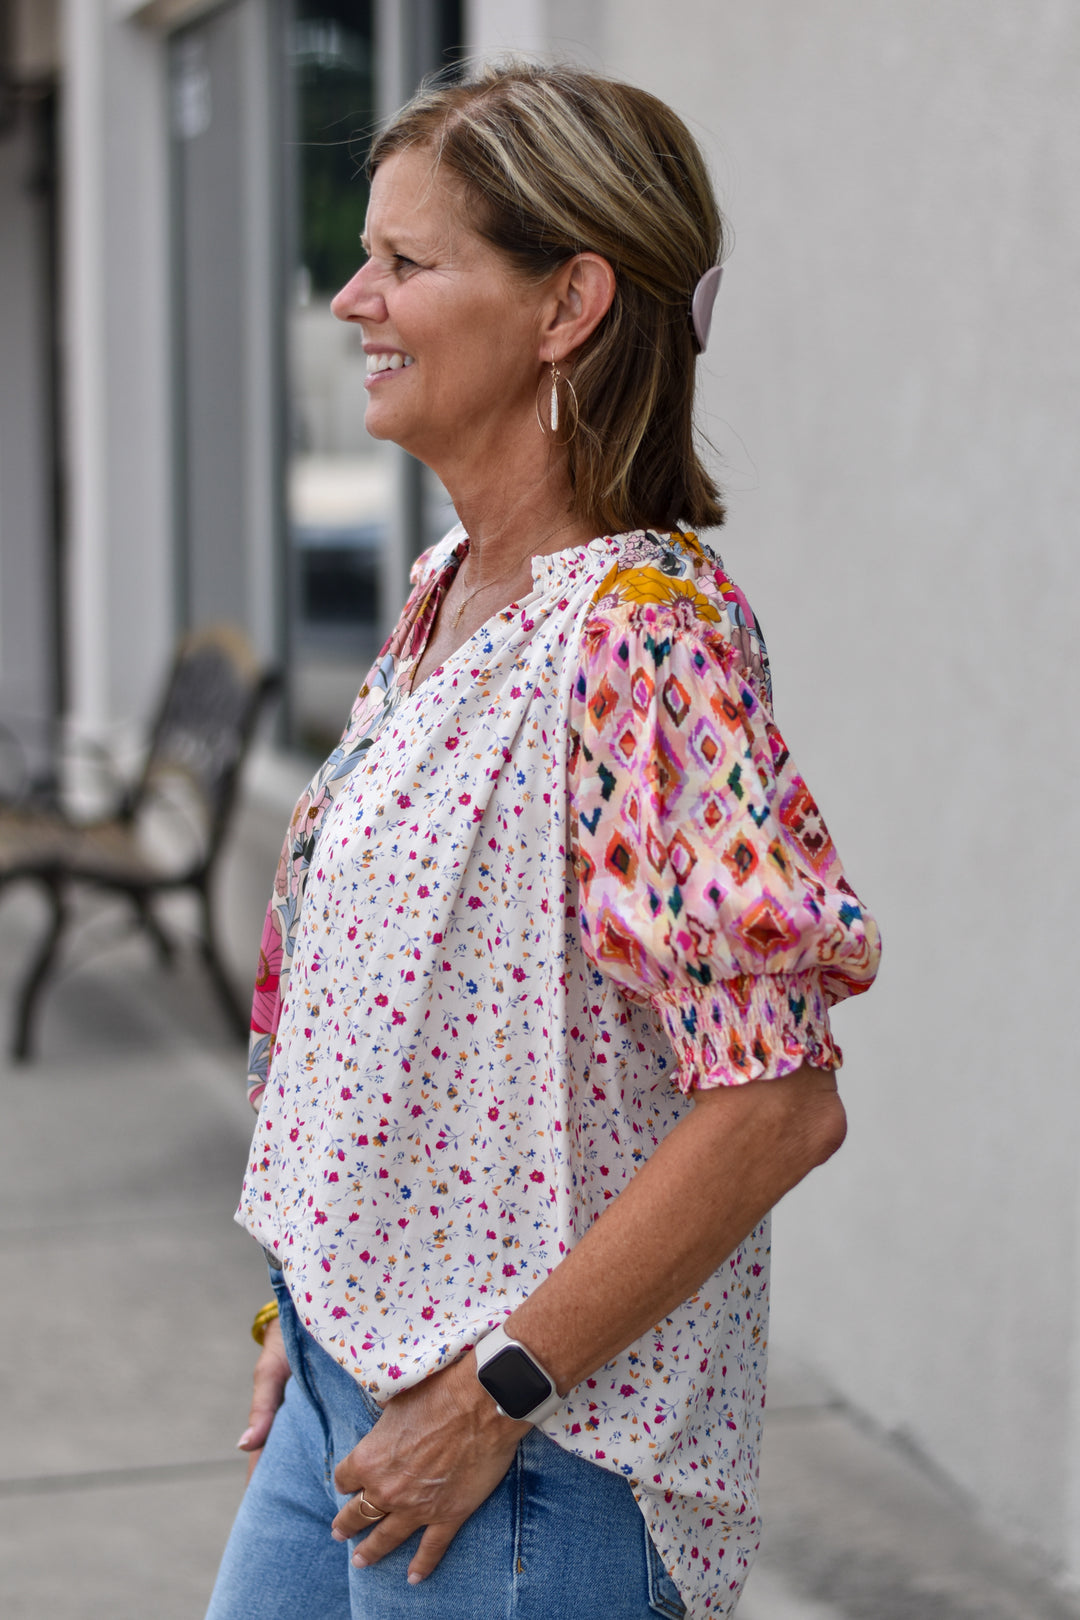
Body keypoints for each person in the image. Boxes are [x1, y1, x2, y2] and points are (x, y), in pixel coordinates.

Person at [206, 60, 881, 1620]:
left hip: (526, 1455)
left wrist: (489, 1393)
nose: (351, 299)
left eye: (406, 261)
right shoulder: (453, 589)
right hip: (341, 1390)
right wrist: (297, 1313)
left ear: (568, 301)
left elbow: (778, 1105)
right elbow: (378, 1025)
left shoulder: (643, 640)